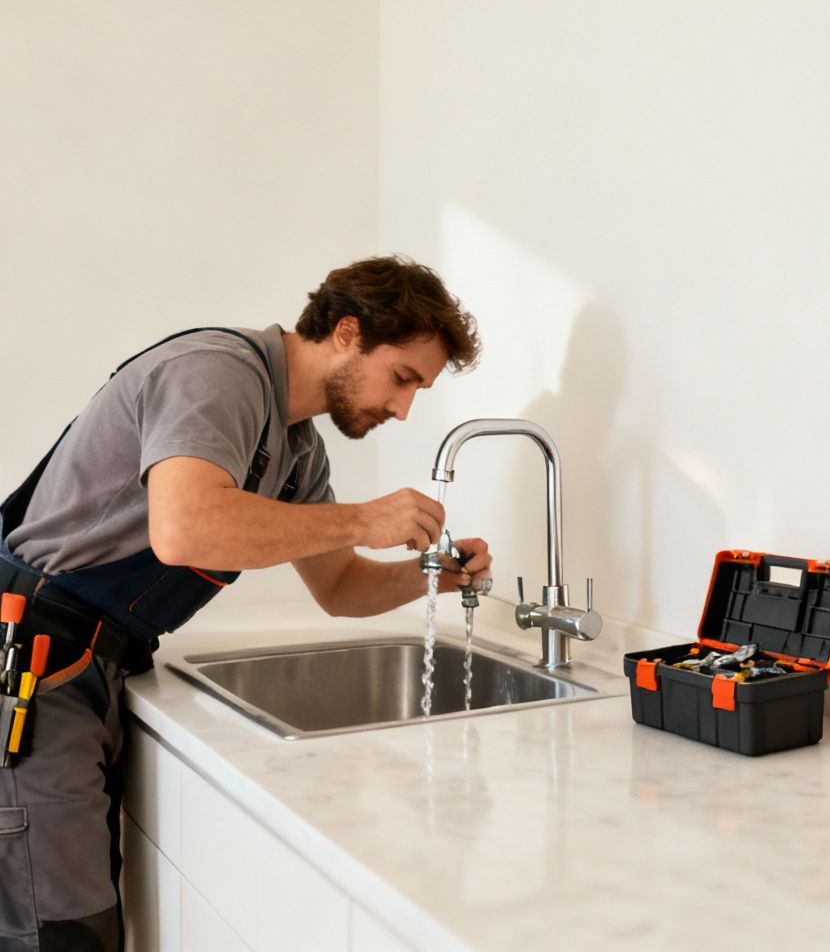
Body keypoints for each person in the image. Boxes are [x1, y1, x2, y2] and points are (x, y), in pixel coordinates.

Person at [0, 255, 491, 949]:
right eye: (403, 377)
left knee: (82, 924)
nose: (403, 407)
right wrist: (361, 517)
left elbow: (340, 589)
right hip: (34, 667)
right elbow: (185, 528)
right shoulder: (217, 374)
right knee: (59, 933)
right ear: (348, 332)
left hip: (88, 668)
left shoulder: (296, 449)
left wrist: (438, 575)